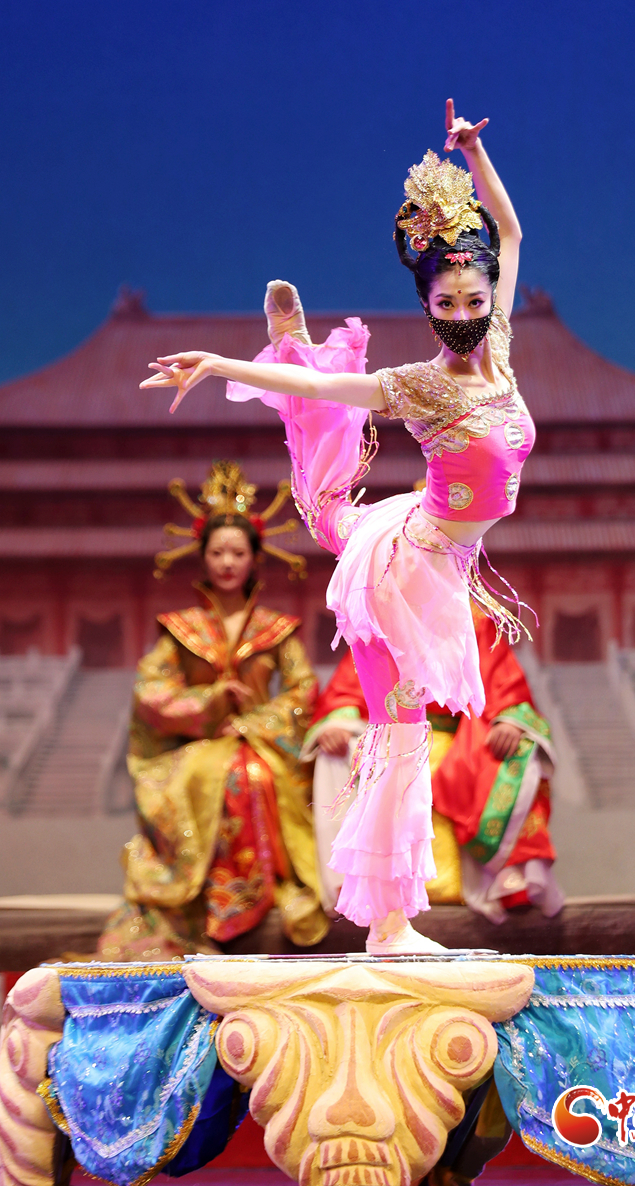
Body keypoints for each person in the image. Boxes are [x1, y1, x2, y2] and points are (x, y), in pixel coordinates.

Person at [140, 99, 536, 953]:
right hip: (406, 567)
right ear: (427, 306)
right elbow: (328, 392)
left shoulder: (500, 349)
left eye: (475, 296)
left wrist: (473, 156)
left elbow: (507, 229)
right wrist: (218, 363)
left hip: (434, 552)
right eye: (448, 300)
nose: (465, 309)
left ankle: (394, 923)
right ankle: (390, 925)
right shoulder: (418, 385)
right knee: (399, 729)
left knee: (398, 708)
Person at [98, 462, 327, 961]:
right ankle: (204, 899)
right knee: (214, 775)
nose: (227, 562)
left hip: (262, 742)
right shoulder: (181, 628)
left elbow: (303, 689)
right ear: (201, 557)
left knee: (250, 775)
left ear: (255, 558)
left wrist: (252, 721)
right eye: (217, 552)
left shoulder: (276, 628)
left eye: (238, 553)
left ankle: (260, 892)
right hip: (198, 744)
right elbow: (151, 690)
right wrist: (210, 701)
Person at [304, 603, 564, 925]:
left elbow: (504, 686)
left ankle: (506, 879)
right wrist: (337, 724)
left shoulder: (472, 619)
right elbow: (348, 690)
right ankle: (362, 885)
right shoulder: (380, 619)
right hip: (390, 739)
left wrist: (509, 721)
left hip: (461, 740)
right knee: (338, 753)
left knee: (516, 747)